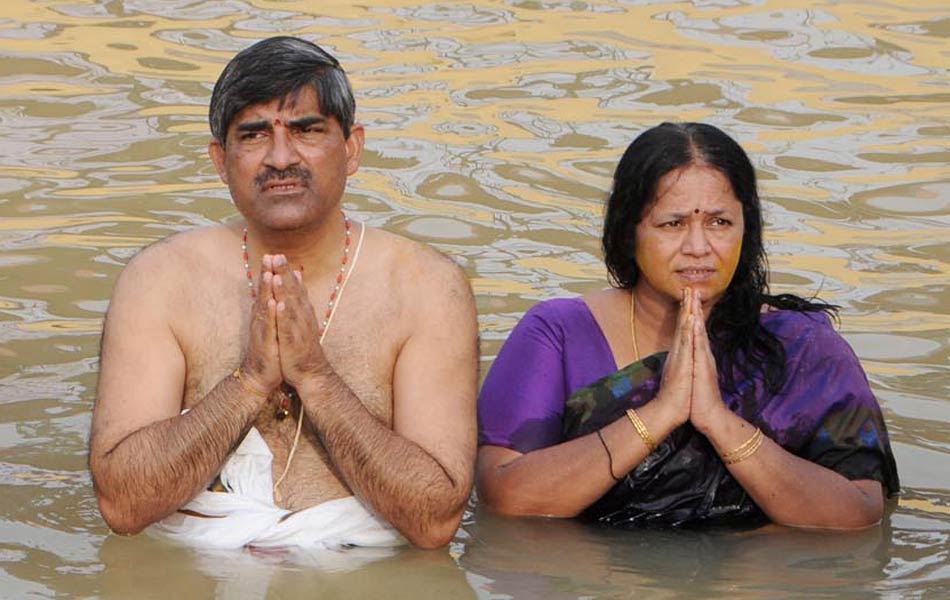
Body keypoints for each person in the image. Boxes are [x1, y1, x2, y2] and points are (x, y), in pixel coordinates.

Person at [89, 36, 478, 550]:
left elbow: (434, 522)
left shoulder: (427, 288)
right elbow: (122, 505)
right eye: (253, 135)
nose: (280, 157)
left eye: (306, 129)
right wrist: (248, 384)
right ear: (220, 161)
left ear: (353, 148)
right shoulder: (159, 279)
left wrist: (315, 378)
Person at [476, 122, 899, 529]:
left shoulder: (801, 348)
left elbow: (860, 514)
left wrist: (718, 420)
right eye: (673, 224)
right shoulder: (557, 334)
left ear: (746, 231)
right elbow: (507, 498)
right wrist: (661, 412)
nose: (699, 248)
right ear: (628, 233)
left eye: (719, 223)